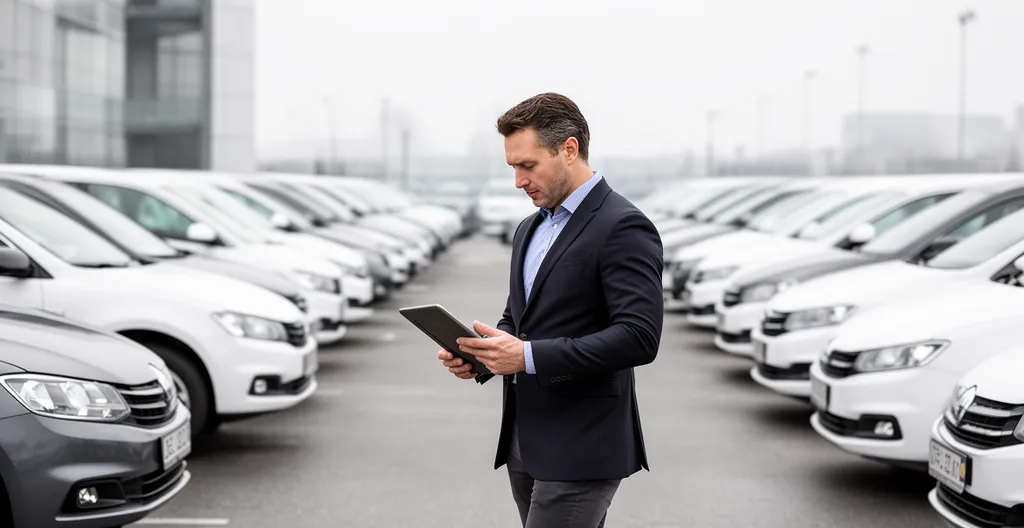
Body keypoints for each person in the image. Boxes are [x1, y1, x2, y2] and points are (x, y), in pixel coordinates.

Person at [437, 92, 664, 527]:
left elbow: (639, 336)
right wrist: (482, 357)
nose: (518, 181)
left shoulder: (623, 225)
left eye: (528, 165)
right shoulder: (529, 227)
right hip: (525, 439)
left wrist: (525, 357)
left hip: (584, 442)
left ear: (569, 149)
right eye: (512, 167)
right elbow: (518, 321)